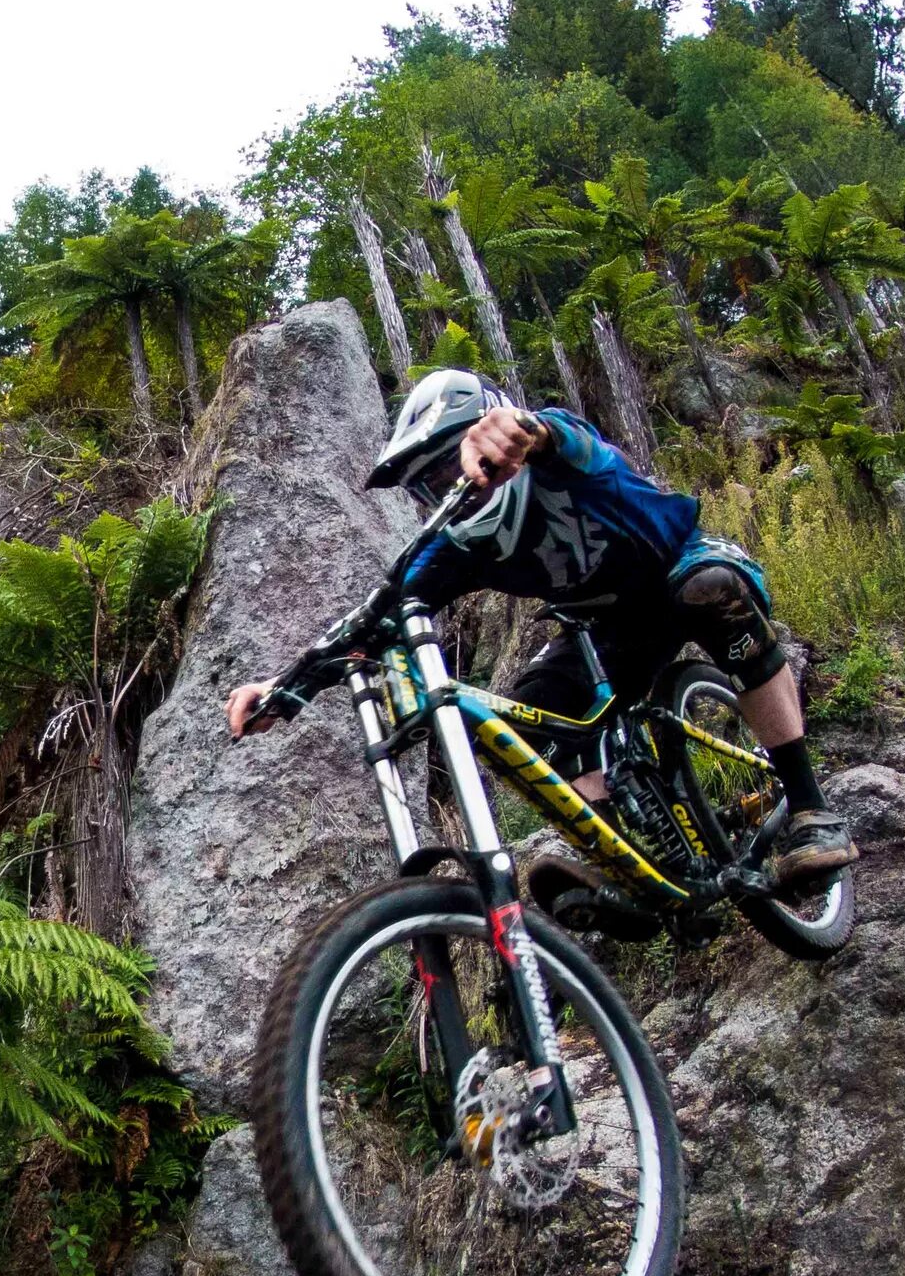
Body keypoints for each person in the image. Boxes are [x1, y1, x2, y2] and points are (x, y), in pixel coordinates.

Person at [222, 369, 858, 887]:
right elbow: (375, 616)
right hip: (605, 631)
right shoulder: (457, 548)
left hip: (680, 567)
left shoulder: (561, 458)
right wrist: (286, 687)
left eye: (452, 466)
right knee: (525, 715)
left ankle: (809, 807)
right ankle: (624, 864)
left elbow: (560, 434)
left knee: (709, 594)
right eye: (431, 486)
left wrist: (518, 429)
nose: (455, 487)